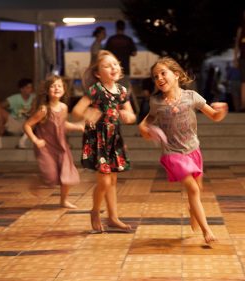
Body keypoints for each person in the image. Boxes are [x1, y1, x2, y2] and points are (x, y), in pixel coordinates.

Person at [138, 57, 228, 244]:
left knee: (197, 190)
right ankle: (207, 231)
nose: (159, 78)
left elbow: (214, 116)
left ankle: (193, 210)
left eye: (163, 73)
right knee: (194, 189)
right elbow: (147, 121)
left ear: (176, 75)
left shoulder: (191, 97)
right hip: (172, 154)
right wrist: (144, 130)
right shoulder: (156, 102)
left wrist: (222, 111)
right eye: (156, 76)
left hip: (193, 150)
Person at [72, 50, 136, 232]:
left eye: (115, 64)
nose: (113, 68)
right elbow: (77, 110)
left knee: (113, 180)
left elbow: (132, 116)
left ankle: (113, 217)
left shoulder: (122, 91)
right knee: (105, 182)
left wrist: (127, 115)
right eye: (107, 66)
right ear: (98, 74)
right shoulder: (96, 90)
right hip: (97, 139)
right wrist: (87, 114)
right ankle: (94, 211)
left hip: (114, 139)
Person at [23, 75, 84, 209]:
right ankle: (37, 181)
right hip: (45, 147)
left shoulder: (63, 107)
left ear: (64, 89)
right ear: (47, 90)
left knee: (67, 175)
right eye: (53, 86)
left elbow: (62, 124)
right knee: (51, 178)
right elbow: (27, 125)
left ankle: (63, 200)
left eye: (59, 85)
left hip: (61, 146)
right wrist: (35, 140)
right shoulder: (44, 110)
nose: (56, 88)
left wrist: (77, 126)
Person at [0, 78, 35, 149]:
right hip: (14, 122)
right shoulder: (15, 98)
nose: (30, 89)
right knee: (0, 111)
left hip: (26, 125)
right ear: (22, 89)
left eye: (31, 87)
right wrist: (1, 121)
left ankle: (22, 141)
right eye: (28, 87)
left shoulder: (34, 98)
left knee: (37, 115)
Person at [105, 20, 139, 113]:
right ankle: (125, 111)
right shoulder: (128, 39)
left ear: (116, 28)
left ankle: (112, 111)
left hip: (112, 70)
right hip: (125, 69)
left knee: (112, 90)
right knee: (125, 91)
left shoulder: (111, 39)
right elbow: (134, 53)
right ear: (124, 28)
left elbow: (105, 54)